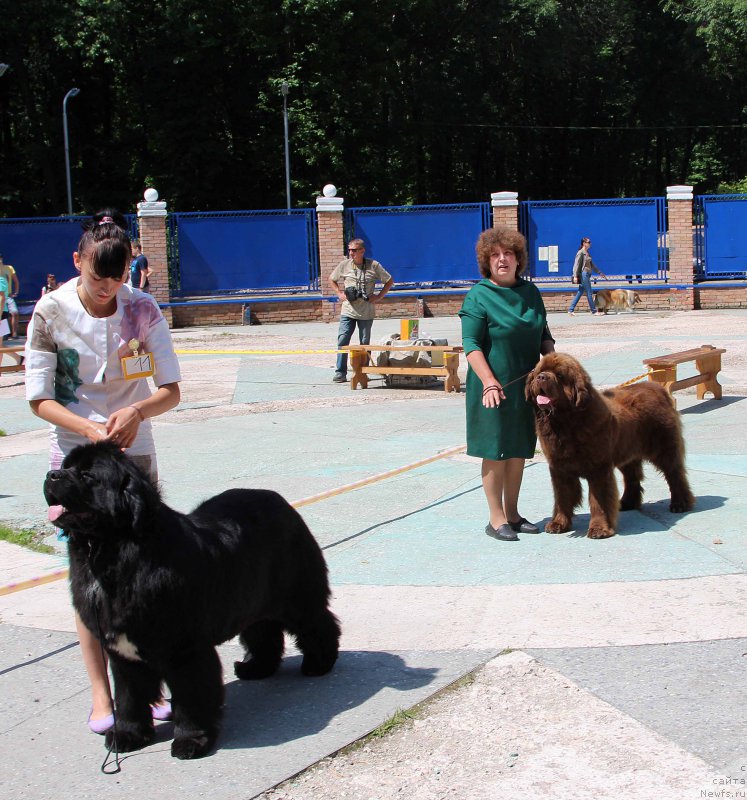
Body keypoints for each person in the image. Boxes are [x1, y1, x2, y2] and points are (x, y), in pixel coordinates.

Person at [24, 208, 182, 734]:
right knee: (89, 580)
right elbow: (39, 399)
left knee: (146, 574)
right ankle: (101, 692)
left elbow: (170, 390)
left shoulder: (143, 309)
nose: (107, 291)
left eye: (116, 280)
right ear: (77, 262)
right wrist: (90, 431)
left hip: (134, 456)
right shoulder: (49, 312)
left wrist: (137, 411)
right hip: (77, 455)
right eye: (97, 279)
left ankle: (149, 684)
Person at [459, 227, 556, 542]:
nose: (502, 259)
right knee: (496, 450)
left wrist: (552, 366)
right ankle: (495, 517)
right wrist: (489, 382)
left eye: (508, 254)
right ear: (487, 261)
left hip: (528, 387)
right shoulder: (479, 295)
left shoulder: (531, 293)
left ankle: (513, 514)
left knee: (518, 450)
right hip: (492, 387)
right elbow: (471, 344)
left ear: (518, 259)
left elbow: (544, 334)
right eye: (495, 255)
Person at [329, 238, 394, 382]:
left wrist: (379, 296)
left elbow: (389, 281)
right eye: (349, 250)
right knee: (343, 340)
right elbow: (332, 279)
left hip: (366, 311)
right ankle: (340, 372)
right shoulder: (344, 265)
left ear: (362, 251)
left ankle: (363, 371)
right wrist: (339, 294)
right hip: (348, 310)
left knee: (364, 342)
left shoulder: (373, 265)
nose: (351, 253)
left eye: (354, 250)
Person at [568, 236, 607, 315]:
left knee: (580, 292)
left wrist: (600, 273)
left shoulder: (587, 253)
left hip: (587, 274)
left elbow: (592, 265)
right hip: (584, 274)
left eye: (590, 242)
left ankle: (571, 310)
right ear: (584, 243)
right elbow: (576, 264)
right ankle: (594, 311)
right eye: (588, 242)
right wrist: (575, 276)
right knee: (589, 292)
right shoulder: (580, 252)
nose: (590, 243)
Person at [0, 254, 21, 338]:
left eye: (1, 258)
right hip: (1, 298)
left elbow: (16, 281)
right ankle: (4, 335)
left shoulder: (9, 268)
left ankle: (13, 333)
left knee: (14, 312)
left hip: (7, 296)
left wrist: (15, 292)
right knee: (3, 314)